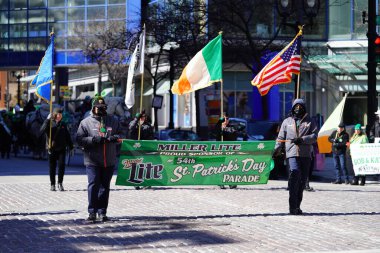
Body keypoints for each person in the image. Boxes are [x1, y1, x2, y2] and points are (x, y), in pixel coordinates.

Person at [76, 95, 122, 222]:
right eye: (98, 107)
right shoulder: (85, 122)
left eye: (103, 107)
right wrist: (92, 140)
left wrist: (115, 138)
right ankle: (92, 212)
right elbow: (79, 139)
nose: (101, 110)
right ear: (93, 108)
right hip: (93, 160)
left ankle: (102, 212)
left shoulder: (113, 120)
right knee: (93, 185)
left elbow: (120, 134)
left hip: (109, 160)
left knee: (105, 187)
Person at [273, 99, 318, 215]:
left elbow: (314, 136)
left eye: (300, 106)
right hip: (291, 153)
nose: (298, 108)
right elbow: (280, 138)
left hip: (305, 155)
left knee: (302, 182)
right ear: (293, 108)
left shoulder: (310, 121)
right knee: (295, 174)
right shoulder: (286, 121)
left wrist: (303, 139)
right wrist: (274, 150)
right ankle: (292, 207)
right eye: (296, 106)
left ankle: (297, 206)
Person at [40, 108, 73, 191]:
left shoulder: (63, 124)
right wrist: (47, 120)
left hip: (61, 148)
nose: (59, 116)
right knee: (52, 167)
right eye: (58, 114)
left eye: (61, 115)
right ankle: (52, 184)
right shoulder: (49, 123)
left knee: (61, 166)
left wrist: (71, 146)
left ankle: (60, 183)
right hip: (51, 148)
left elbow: (67, 136)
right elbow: (41, 130)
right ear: (54, 114)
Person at [128, 110, 154, 189]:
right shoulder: (133, 123)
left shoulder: (148, 126)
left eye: (144, 117)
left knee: (145, 165)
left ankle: (147, 182)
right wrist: (136, 120)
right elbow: (130, 128)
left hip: (145, 148)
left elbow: (150, 136)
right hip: (135, 148)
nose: (143, 118)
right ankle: (136, 182)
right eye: (141, 117)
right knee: (135, 166)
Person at [215, 114, 239, 189]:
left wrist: (224, 129)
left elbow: (233, 134)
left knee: (231, 166)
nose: (225, 120)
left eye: (226, 119)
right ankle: (220, 182)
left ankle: (231, 183)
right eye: (223, 119)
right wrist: (221, 128)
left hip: (230, 150)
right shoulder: (218, 127)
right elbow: (216, 133)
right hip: (221, 151)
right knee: (221, 167)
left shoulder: (232, 127)